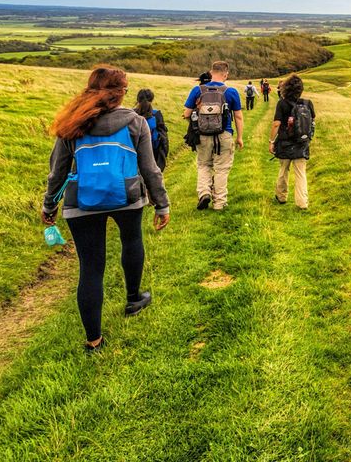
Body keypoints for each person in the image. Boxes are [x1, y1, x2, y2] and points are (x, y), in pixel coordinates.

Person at [42, 66, 169, 352]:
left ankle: (93, 340)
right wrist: (162, 205)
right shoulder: (136, 122)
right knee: (132, 240)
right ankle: (134, 298)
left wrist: (49, 204)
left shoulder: (73, 123)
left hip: (81, 201)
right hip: (128, 196)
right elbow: (150, 170)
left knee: (90, 268)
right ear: (121, 93)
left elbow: (57, 172)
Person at [183, 61, 243, 211]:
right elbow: (238, 117)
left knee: (204, 165)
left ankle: (204, 193)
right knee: (221, 168)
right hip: (224, 134)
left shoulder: (198, 90)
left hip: (202, 135)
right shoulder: (231, 92)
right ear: (226, 74)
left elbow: (186, 114)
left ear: (211, 72)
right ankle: (219, 203)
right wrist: (239, 137)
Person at [270, 74, 315, 210]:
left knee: (283, 170)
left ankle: (282, 196)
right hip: (301, 143)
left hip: (284, 142)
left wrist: (271, 141)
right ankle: (302, 203)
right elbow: (312, 122)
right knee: (300, 173)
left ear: (286, 88)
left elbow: (276, 124)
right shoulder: (307, 103)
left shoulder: (282, 103)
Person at [134, 88, 169, 172]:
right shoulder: (156, 114)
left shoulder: (131, 114)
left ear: (138, 99)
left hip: (134, 153)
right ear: (152, 99)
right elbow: (164, 138)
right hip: (153, 153)